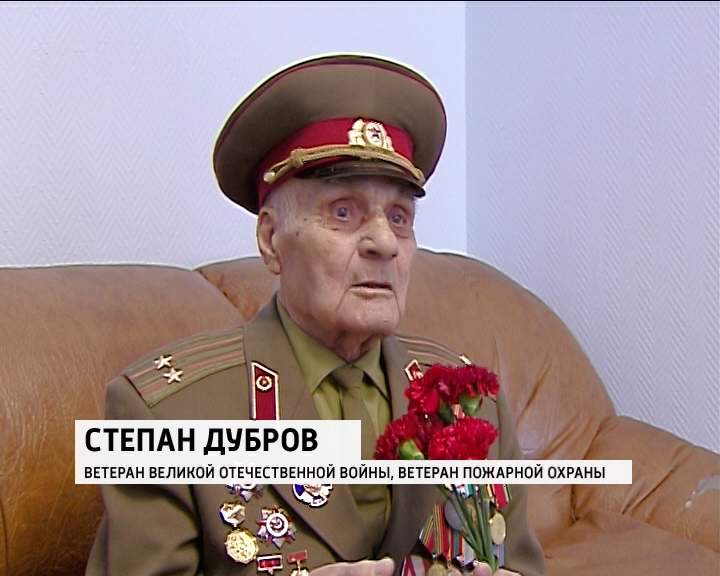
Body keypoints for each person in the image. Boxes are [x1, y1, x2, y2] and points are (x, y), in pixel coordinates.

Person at [86, 54, 545, 576]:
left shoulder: (470, 403)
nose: (384, 243)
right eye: (343, 212)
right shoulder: (166, 414)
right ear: (271, 240)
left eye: (400, 217)